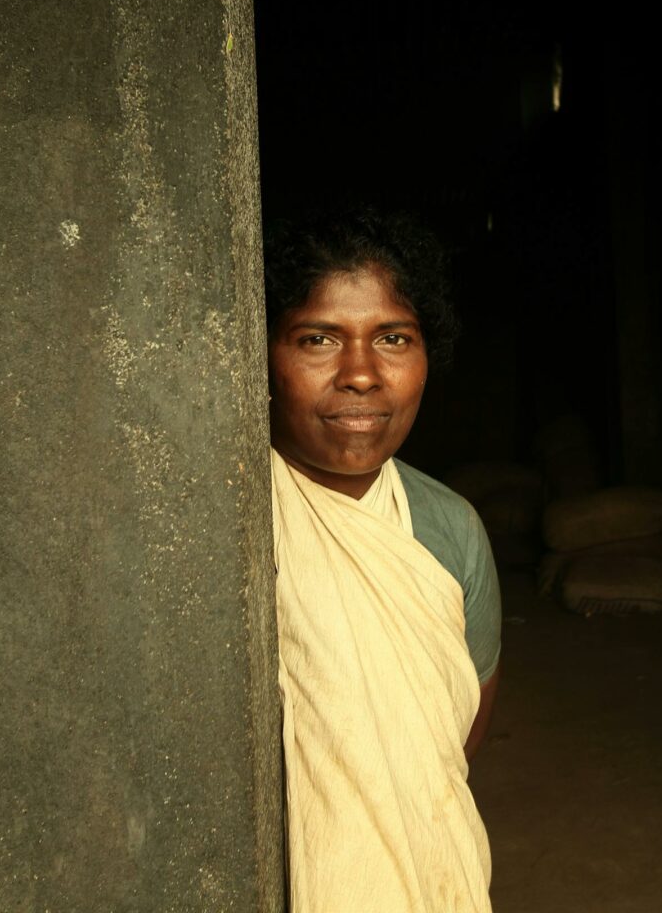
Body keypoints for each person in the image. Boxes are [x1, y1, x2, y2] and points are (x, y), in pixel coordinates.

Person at [263, 202, 502, 913]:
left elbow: (453, 741)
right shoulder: (224, 522)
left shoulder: (449, 529)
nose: (361, 374)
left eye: (393, 337)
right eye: (318, 340)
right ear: (264, 353)